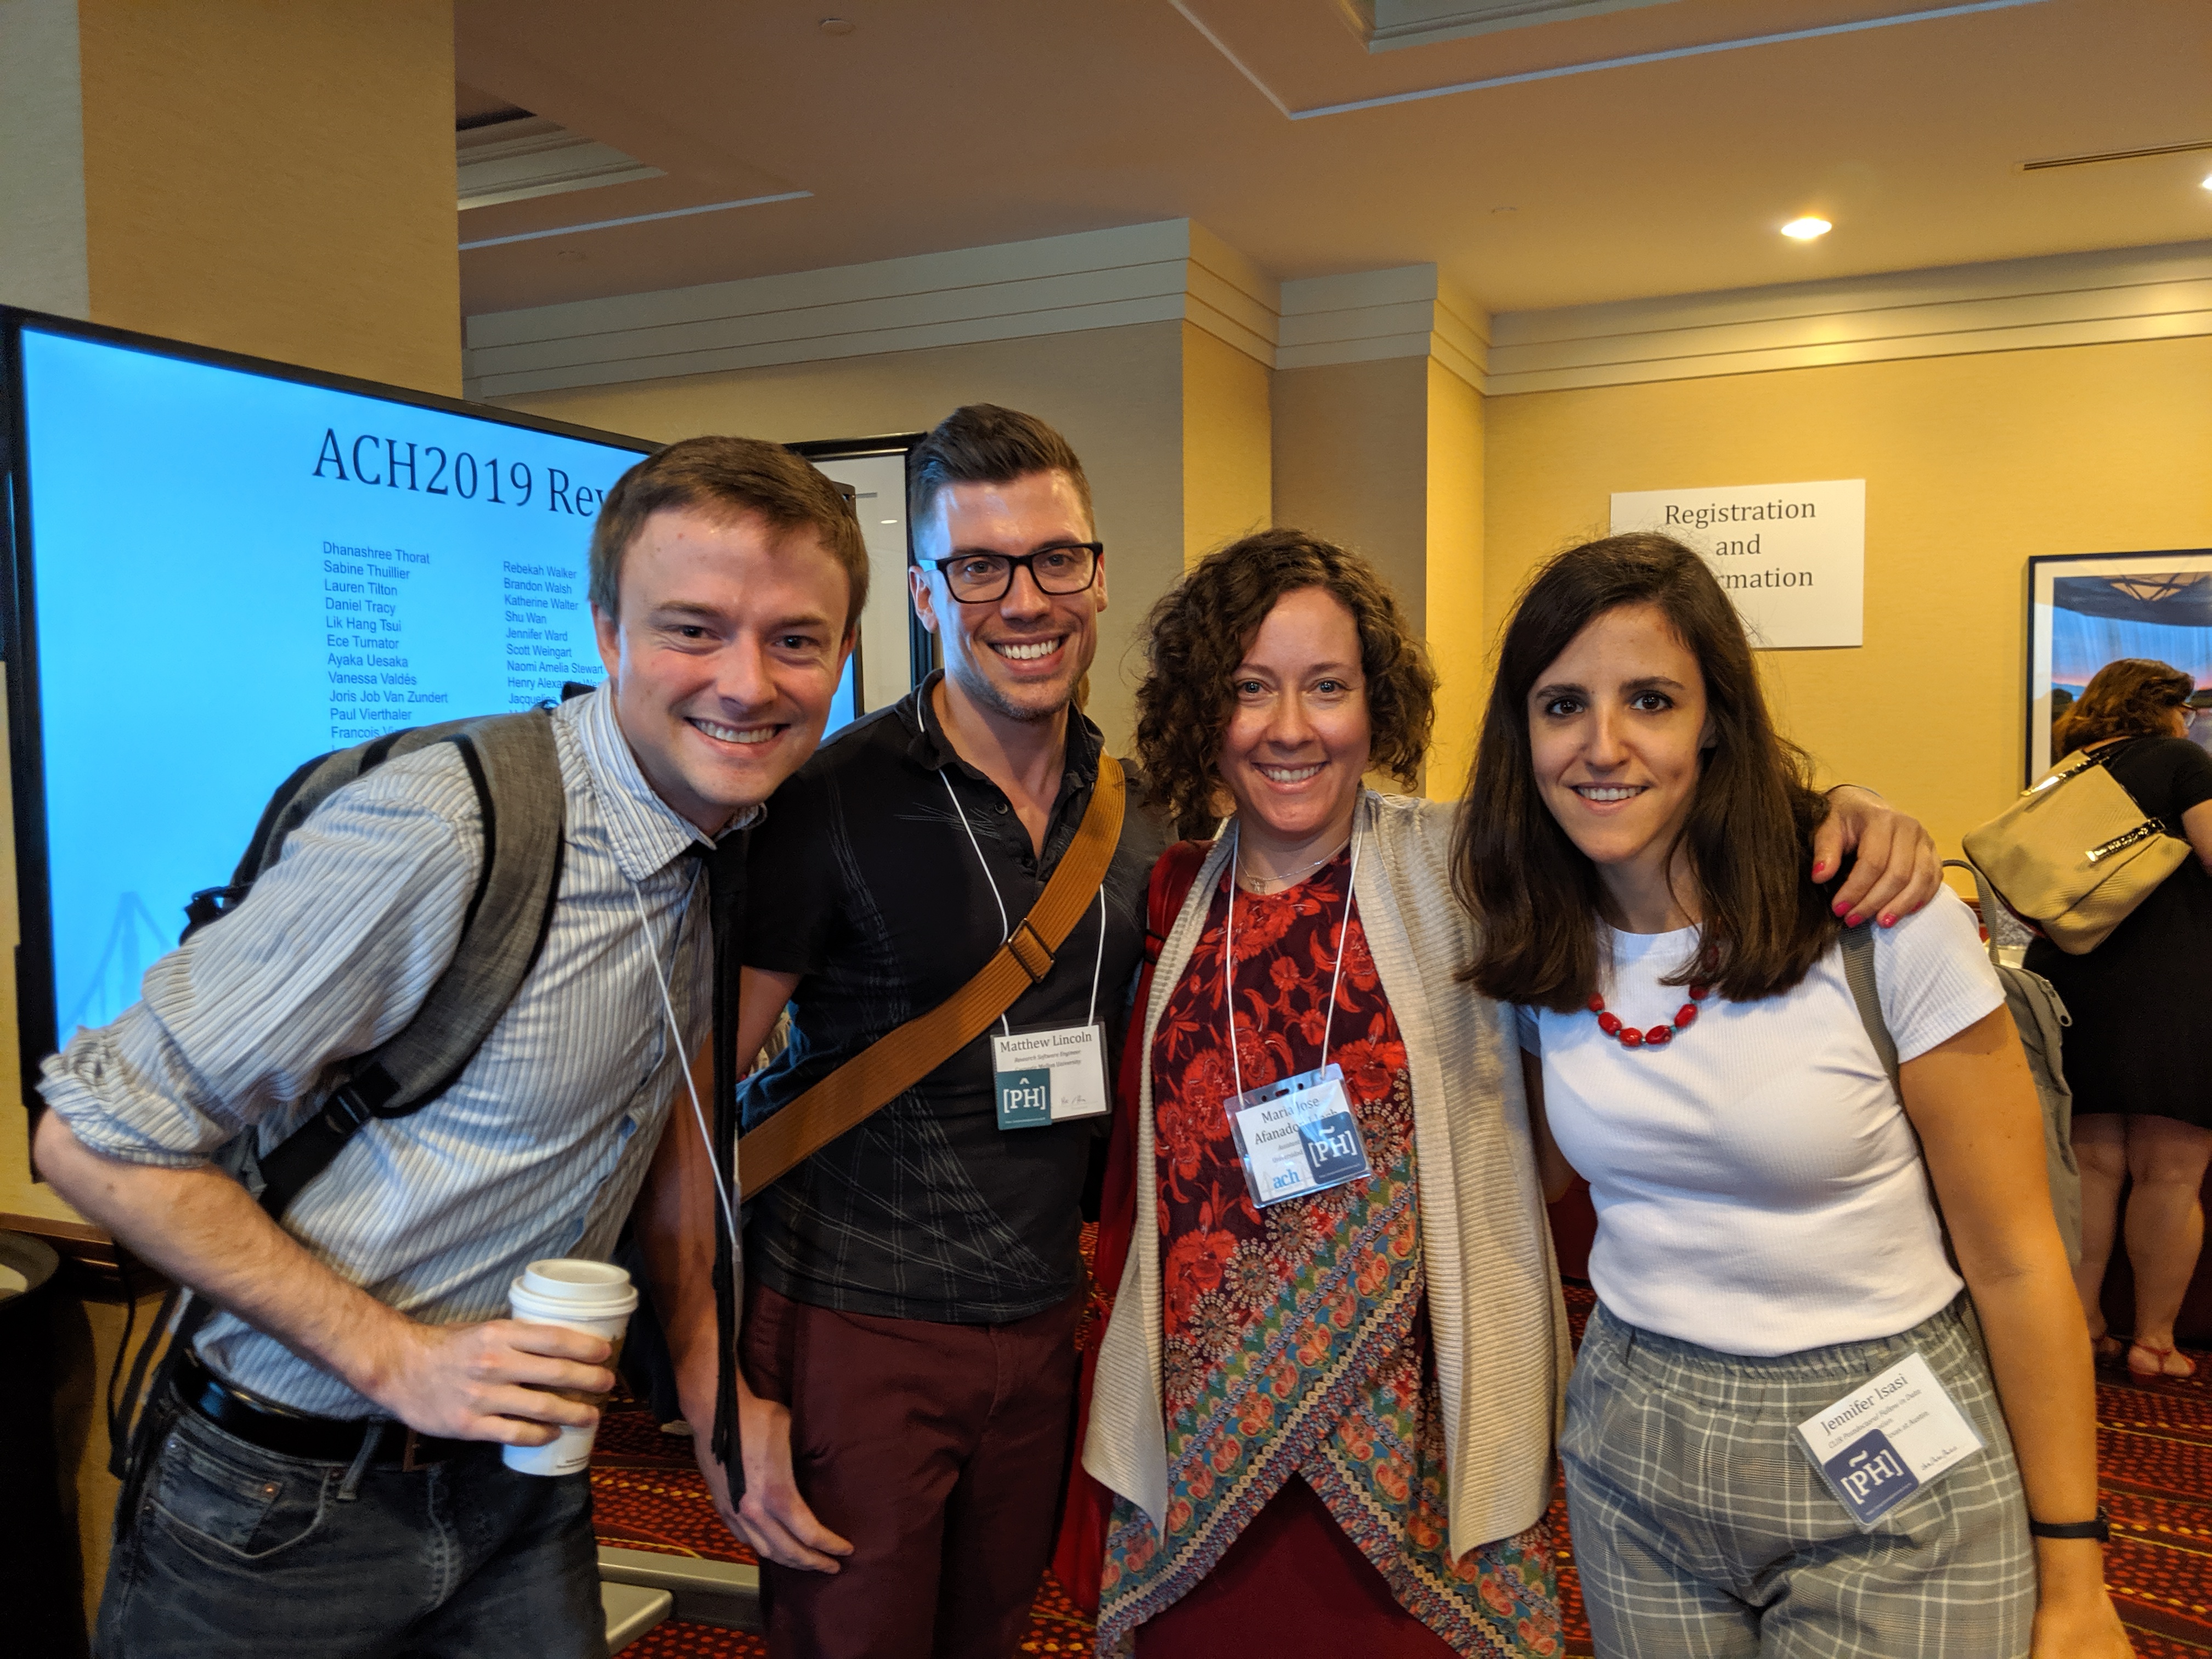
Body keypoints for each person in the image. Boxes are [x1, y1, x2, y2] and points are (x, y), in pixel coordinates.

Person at [32, 436, 866, 1659]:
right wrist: (396, 1359)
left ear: (841, 657)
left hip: (523, 1490)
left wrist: (702, 1375)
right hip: (282, 1503)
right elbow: (92, 1142)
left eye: (794, 640)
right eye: (694, 629)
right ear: (605, 632)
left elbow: (670, 1123)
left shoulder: (729, 841)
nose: (746, 683)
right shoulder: (442, 829)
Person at [1079, 529, 1943, 1658]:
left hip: (1422, 1436)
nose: (1291, 727)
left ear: (1376, 704)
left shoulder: (1470, 866)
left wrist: (1838, 807)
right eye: (1251, 689)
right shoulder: (1172, 891)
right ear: (1205, 708)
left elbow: (1648, 819)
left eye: (1328, 686)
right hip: (1202, 1428)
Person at [1462, 532, 2130, 1658]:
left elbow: (2019, 1260)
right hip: (1635, 1447)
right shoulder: (1531, 933)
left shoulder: (1879, 920)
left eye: (1652, 701)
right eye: (1562, 704)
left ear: (1715, 718)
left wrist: (2076, 1574)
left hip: (1888, 1440)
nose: (1603, 745)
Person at [636, 404, 1169, 1659]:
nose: (1024, 599)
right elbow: (689, 1112)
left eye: (1055, 559)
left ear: (1098, 572)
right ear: (928, 597)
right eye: (978, 567)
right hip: (852, 1328)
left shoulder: (1137, 811)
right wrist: (716, 1394)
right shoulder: (827, 800)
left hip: (1042, 1332)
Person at [2030, 658, 2212, 1380]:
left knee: (2093, 1169)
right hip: (2175, 983)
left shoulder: (2063, 773)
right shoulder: (2179, 760)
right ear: (2166, 711)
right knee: (2171, 1172)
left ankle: (2085, 1324)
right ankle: (2155, 1341)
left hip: (2075, 982)